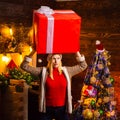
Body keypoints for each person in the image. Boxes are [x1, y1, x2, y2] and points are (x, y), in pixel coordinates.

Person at [20, 50, 87, 120]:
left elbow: (83, 65)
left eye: (58, 58)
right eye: (53, 58)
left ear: (60, 59)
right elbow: (24, 66)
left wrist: (76, 51)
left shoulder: (67, 71)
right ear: (49, 60)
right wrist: (33, 51)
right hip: (46, 109)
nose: (56, 61)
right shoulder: (43, 71)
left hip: (62, 109)